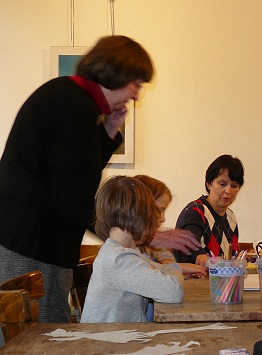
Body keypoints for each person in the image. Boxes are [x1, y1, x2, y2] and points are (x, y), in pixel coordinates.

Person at [0, 35, 196, 329]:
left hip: (36, 243)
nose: (136, 96)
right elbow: (73, 196)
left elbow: (76, 174)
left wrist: (108, 132)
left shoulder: (73, 99)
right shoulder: (72, 104)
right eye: (136, 84)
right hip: (30, 246)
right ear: (117, 72)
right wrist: (140, 229)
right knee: (33, 342)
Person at [81, 176, 184, 323]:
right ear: (139, 216)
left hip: (116, 338)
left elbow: (161, 270)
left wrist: (168, 269)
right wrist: (174, 269)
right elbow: (175, 291)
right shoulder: (119, 260)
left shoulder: (120, 252)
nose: (157, 220)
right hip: (106, 342)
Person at [175, 155, 245, 267]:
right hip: (194, 281)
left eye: (234, 186)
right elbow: (187, 245)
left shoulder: (230, 217)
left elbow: (230, 257)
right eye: (222, 184)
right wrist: (199, 256)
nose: (228, 191)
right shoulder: (195, 211)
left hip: (220, 280)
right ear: (208, 183)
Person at [133, 175, 206, 278]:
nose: (163, 218)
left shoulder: (151, 238)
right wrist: (176, 268)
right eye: (159, 210)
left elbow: (161, 252)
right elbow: (143, 271)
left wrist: (169, 262)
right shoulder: (127, 248)